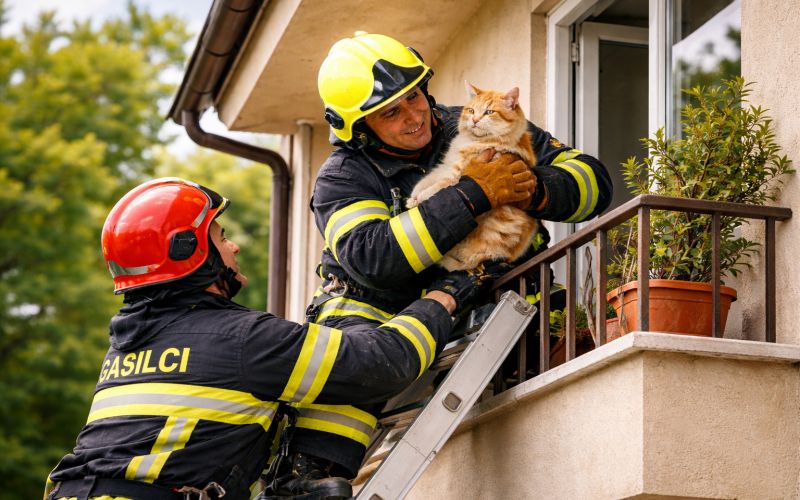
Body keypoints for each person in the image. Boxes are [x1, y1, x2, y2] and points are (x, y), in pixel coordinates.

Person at [278, 32, 614, 493]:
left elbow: (594, 182)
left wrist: (532, 187)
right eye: (391, 111)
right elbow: (376, 258)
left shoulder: (483, 122)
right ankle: (309, 480)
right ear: (358, 127)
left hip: (509, 305)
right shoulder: (343, 177)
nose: (415, 116)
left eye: (413, 96)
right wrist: (473, 194)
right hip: (391, 317)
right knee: (349, 357)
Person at [43, 177, 503, 500]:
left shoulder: (126, 347)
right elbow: (377, 363)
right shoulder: (242, 340)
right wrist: (445, 296)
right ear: (191, 254)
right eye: (220, 236)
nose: (233, 246)